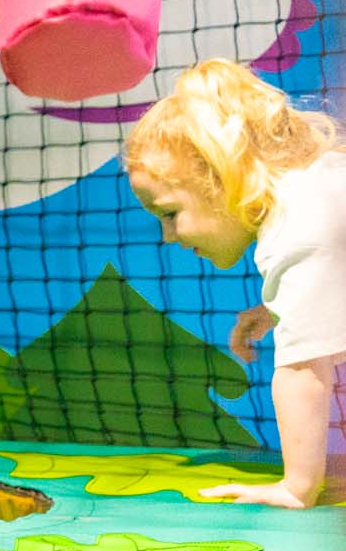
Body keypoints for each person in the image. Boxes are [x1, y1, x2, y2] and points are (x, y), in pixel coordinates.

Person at [124, 58, 344, 509]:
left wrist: (297, 486)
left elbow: (303, 371)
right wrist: (277, 310)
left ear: (222, 176)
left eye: (169, 213)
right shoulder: (318, 185)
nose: (168, 237)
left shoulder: (297, 225)